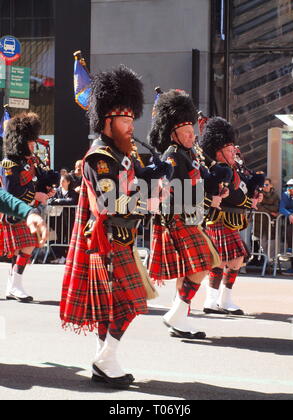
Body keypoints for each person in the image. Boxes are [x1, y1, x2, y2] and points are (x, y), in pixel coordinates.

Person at [60, 65, 171, 389]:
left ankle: (104, 361)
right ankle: (105, 357)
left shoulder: (122, 154)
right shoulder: (100, 158)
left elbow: (135, 185)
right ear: (107, 121)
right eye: (125, 120)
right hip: (106, 240)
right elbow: (114, 202)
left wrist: (150, 176)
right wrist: (148, 191)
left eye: (131, 119)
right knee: (131, 303)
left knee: (113, 308)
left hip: (121, 238)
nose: (130, 126)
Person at [148, 89, 227, 340]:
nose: (193, 136)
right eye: (187, 133)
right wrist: (162, 182)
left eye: (193, 132)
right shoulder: (172, 155)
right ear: (174, 134)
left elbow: (203, 178)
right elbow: (167, 175)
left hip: (193, 216)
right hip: (177, 217)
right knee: (204, 262)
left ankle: (180, 317)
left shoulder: (192, 153)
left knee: (189, 268)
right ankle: (177, 313)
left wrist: (217, 186)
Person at [200, 117, 263, 315]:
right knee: (222, 259)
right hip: (219, 218)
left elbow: (244, 187)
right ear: (218, 153)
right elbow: (234, 197)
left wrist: (256, 193)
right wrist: (248, 201)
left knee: (235, 259)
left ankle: (224, 299)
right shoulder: (218, 170)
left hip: (232, 221)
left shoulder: (234, 170)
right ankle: (211, 300)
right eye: (228, 150)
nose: (233, 152)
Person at [0, 112, 50, 302]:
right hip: (13, 213)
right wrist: (35, 195)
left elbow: (33, 183)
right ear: (20, 142)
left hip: (26, 210)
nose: (33, 145)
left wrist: (45, 189)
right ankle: (15, 285)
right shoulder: (8, 164)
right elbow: (10, 192)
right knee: (27, 246)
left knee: (22, 248)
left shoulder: (28, 163)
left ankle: (13, 285)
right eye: (30, 142)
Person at [48, 173, 79, 264]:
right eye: (61, 181)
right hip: (58, 219)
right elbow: (50, 200)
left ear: (68, 182)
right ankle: (60, 256)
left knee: (68, 238)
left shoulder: (72, 192)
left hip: (69, 219)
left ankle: (67, 257)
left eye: (63, 181)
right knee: (59, 238)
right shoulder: (56, 191)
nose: (61, 183)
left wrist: (59, 201)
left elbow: (72, 201)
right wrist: (58, 201)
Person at [254, 178, 279, 260]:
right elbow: (258, 206)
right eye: (263, 185)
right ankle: (263, 261)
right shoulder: (259, 194)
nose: (265, 186)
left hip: (271, 222)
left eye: (267, 184)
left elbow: (276, 207)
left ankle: (270, 261)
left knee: (271, 242)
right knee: (261, 243)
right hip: (259, 221)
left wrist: (265, 208)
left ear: (271, 185)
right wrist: (270, 212)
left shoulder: (275, 195)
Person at [279, 179, 293, 275]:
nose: (289, 188)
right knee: (289, 234)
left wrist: (290, 212)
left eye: (291, 187)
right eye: (287, 186)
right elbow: (281, 208)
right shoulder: (285, 194)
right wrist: (289, 214)